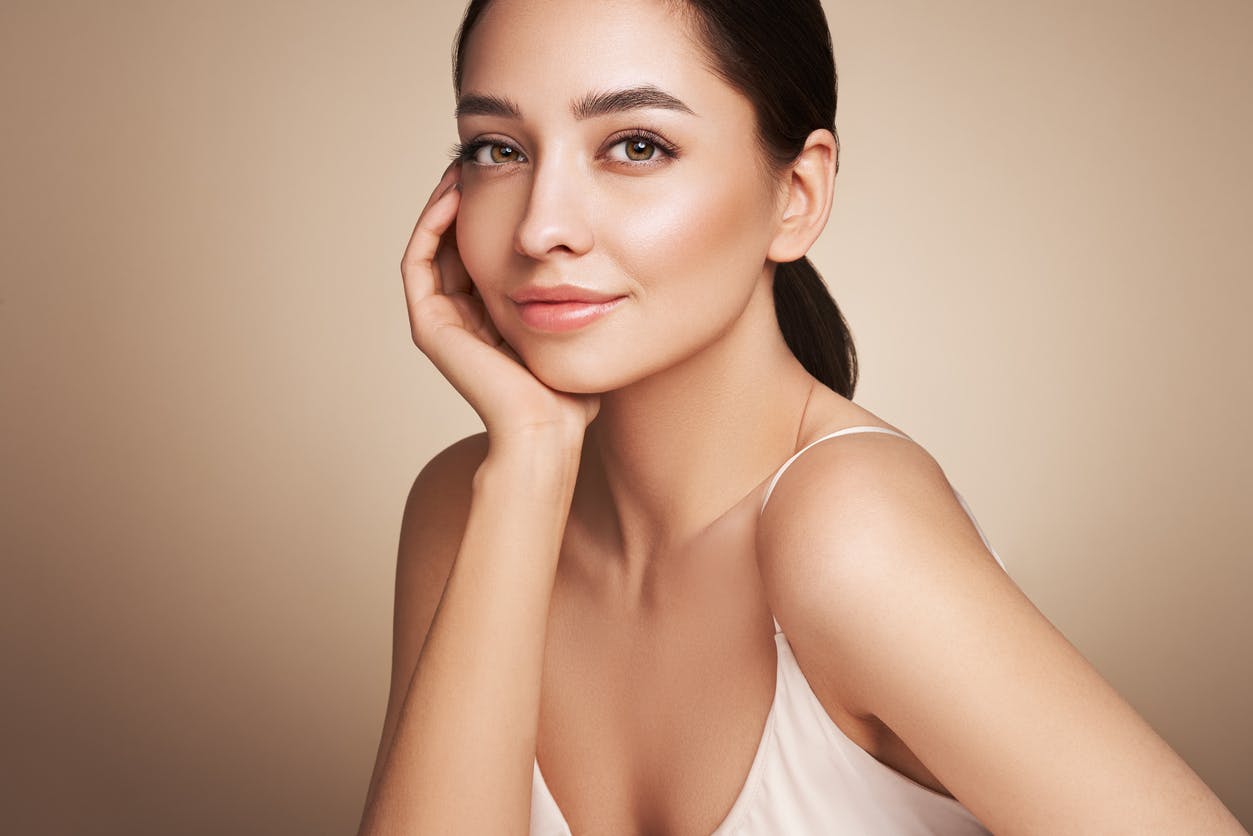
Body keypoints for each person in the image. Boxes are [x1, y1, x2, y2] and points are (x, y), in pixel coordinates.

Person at [358, 0, 1245, 833]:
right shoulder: (467, 503)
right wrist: (531, 461)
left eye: (634, 146)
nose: (540, 227)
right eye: (497, 151)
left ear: (798, 194)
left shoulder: (850, 529)